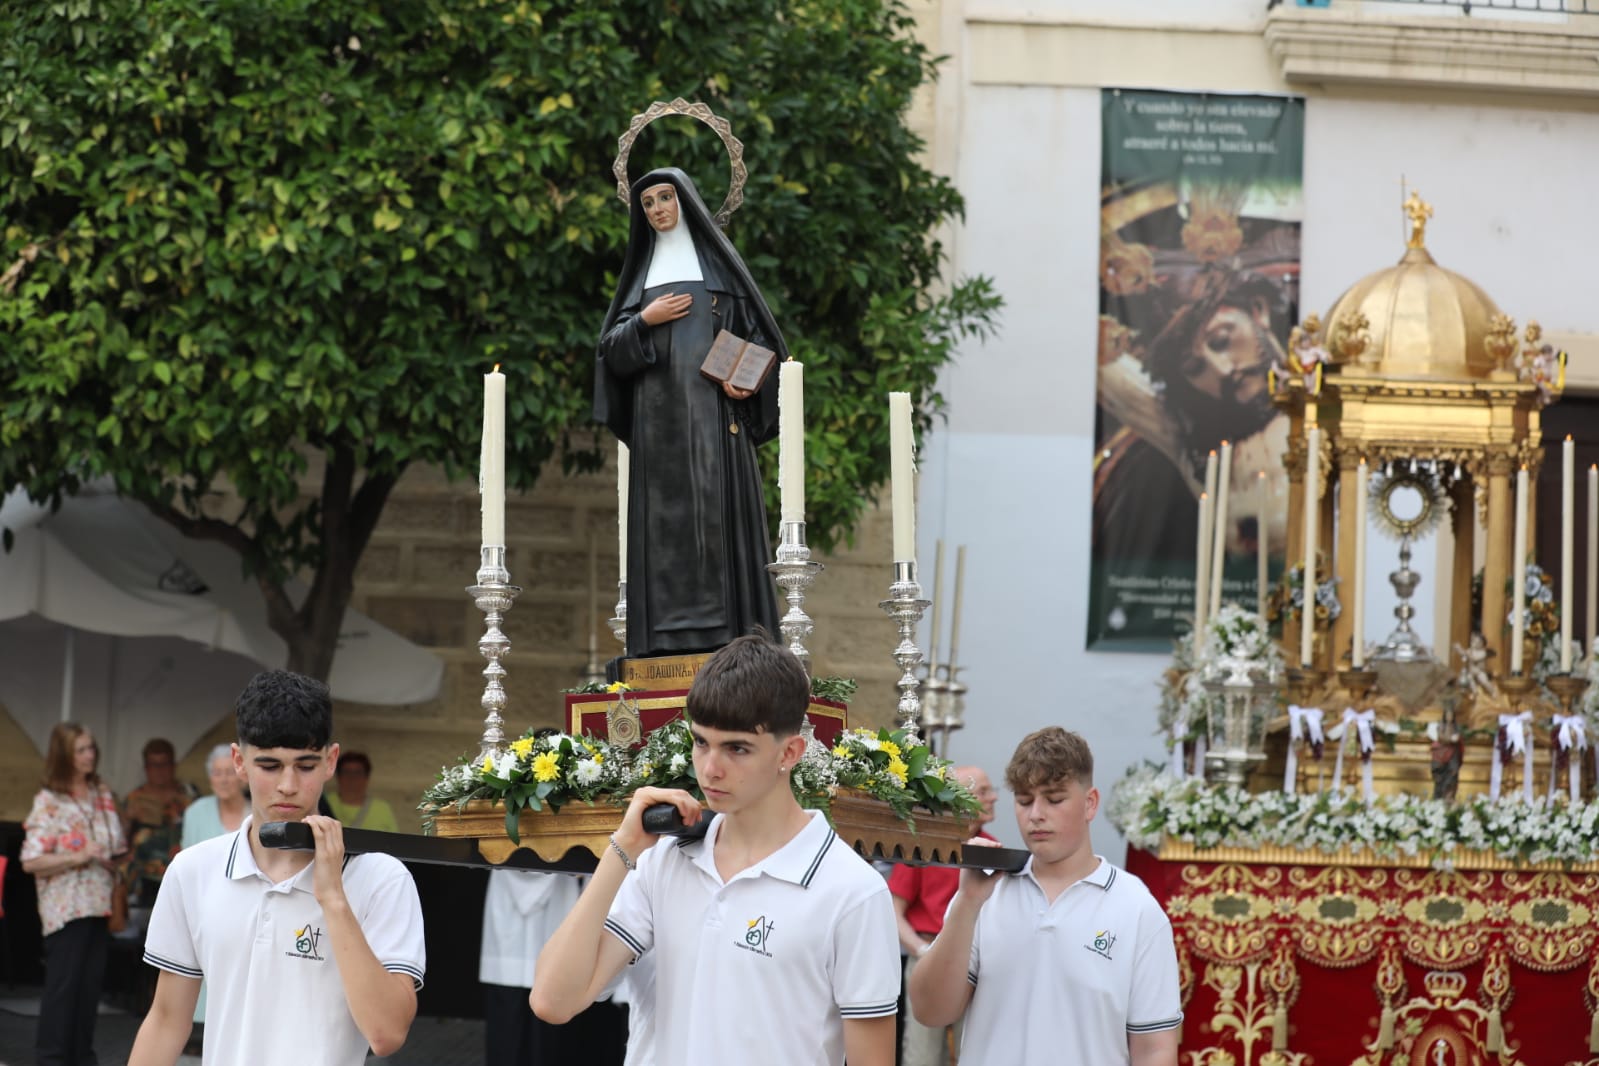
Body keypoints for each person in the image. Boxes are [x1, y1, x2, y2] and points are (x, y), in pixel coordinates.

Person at [531, 635, 899, 1066]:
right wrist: (622, 849)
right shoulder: (663, 861)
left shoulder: (853, 891)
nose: (709, 768)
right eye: (701, 742)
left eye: (737, 748)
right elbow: (553, 1002)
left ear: (791, 752)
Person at [128, 670, 426, 1066]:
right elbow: (166, 1021)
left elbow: (387, 1034)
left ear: (330, 761)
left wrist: (333, 899)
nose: (287, 784)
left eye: (305, 765)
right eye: (269, 765)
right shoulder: (193, 870)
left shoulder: (381, 878)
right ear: (239, 761)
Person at [594, 167, 784, 659]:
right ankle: (661, 648)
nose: (657, 208)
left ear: (687, 202)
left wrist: (746, 379)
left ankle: (736, 645)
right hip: (659, 433)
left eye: (665, 197)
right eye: (648, 202)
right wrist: (645, 320)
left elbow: (762, 341)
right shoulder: (640, 281)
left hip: (718, 427)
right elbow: (610, 354)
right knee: (665, 533)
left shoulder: (721, 278)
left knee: (721, 529)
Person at [908, 727, 1182, 1066]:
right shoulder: (984, 896)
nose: (1036, 814)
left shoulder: (1137, 908)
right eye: (1024, 800)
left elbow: (1155, 1048)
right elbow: (929, 1010)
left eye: (1054, 799)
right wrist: (966, 902)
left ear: (1090, 803)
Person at [20, 722, 128, 1066]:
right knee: (63, 989)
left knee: (88, 989)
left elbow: (116, 845)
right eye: (81, 749)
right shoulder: (49, 800)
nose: (89, 755)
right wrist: (76, 856)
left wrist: (114, 857)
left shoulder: (102, 794)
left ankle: (83, 1058)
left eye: (91, 748)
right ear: (65, 755)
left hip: (98, 903)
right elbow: (31, 860)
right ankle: (50, 1058)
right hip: (66, 907)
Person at [888, 765, 998, 1066]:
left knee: (973, 1049)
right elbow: (893, 912)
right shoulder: (926, 844)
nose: (994, 798)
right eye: (984, 792)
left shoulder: (991, 846)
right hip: (926, 951)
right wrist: (922, 951)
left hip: (976, 958)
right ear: (961, 799)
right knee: (922, 1056)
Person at [176, 743, 250, 1058]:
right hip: (205, 910)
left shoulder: (257, 812)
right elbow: (186, 865)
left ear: (243, 774)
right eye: (216, 773)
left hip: (249, 912)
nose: (223, 780)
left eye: (229, 773)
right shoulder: (196, 812)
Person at [120, 738, 196, 915]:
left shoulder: (188, 795)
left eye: (164, 764)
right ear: (146, 768)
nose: (159, 771)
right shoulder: (134, 799)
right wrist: (128, 818)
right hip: (145, 880)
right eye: (154, 765)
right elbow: (118, 842)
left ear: (174, 765)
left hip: (183, 875)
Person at [324, 750, 400, 832]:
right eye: (347, 772)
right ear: (338, 776)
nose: (352, 778)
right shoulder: (324, 803)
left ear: (366, 778)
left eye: (357, 772)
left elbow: (395, 842)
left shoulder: (382, 809)